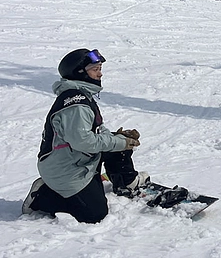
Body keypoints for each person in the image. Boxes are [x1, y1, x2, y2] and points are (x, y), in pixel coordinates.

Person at [21, 49, 149, 223]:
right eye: (95, 69)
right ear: (80, 73)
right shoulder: (76, 104)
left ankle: (125, 182)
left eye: (100, 68)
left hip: (77, 159)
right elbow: (84, 142)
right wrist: (119, 143)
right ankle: (42, 195)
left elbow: (98, 130)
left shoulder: (82, 95)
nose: (100, 73)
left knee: (117, 143)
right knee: (95, 214)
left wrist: (120, 140)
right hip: (65, 170)